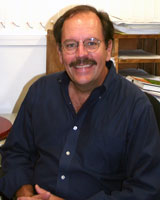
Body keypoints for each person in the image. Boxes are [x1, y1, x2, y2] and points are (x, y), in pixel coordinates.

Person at [0, 4, 160, 200]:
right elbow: (16, 152)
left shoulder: (136, 107)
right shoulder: (40, 91)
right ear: (59, 52)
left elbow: (146, 190)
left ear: (108, 48)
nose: (81, 54)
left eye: (91, 43)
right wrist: (23, 194)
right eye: (70, 45)